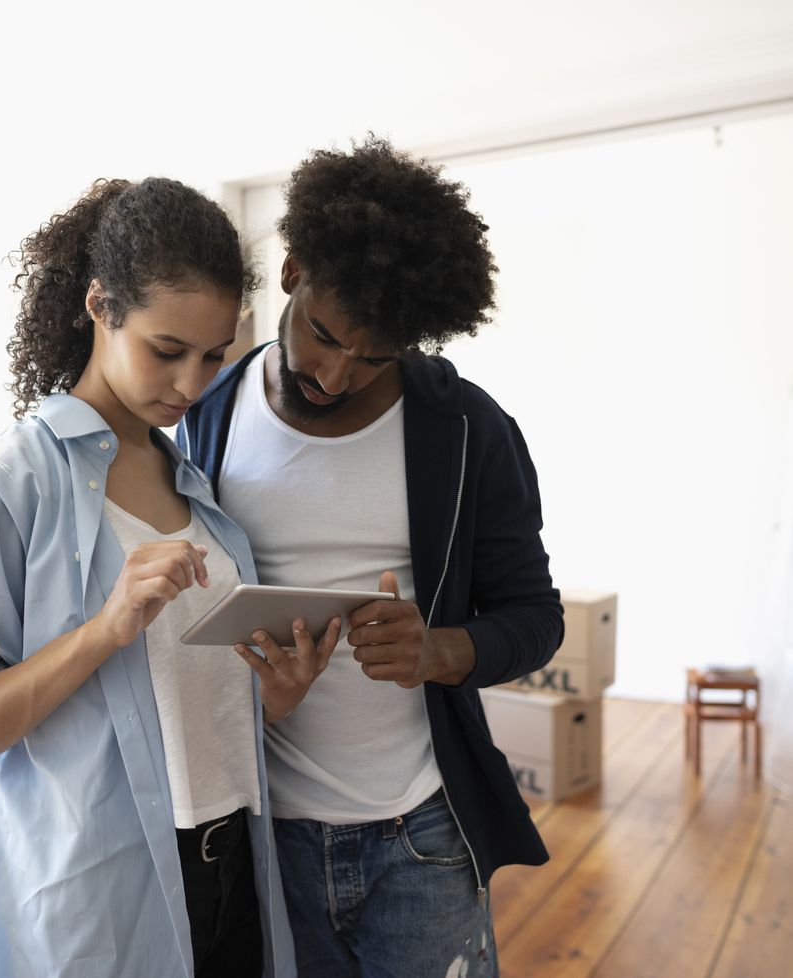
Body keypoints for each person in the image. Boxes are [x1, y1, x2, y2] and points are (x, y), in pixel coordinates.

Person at [0, 177, 334, 978]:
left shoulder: (196, 486)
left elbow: (171, 715)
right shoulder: (3, 488)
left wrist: (272, 695)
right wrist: (104, 629)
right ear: (100, 307)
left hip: (235, 869)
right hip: (98, 899)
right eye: (166, 350)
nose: (192, 386)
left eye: (215, 355)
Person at [178, 136, 565, 978]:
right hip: (260, 832)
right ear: (290, 273)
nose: (339, 373)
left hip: (420, 836)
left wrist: (442, 649)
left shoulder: (466, 431)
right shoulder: (204, 415)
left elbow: (537, 620)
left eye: (376, 355)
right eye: (324, 335)